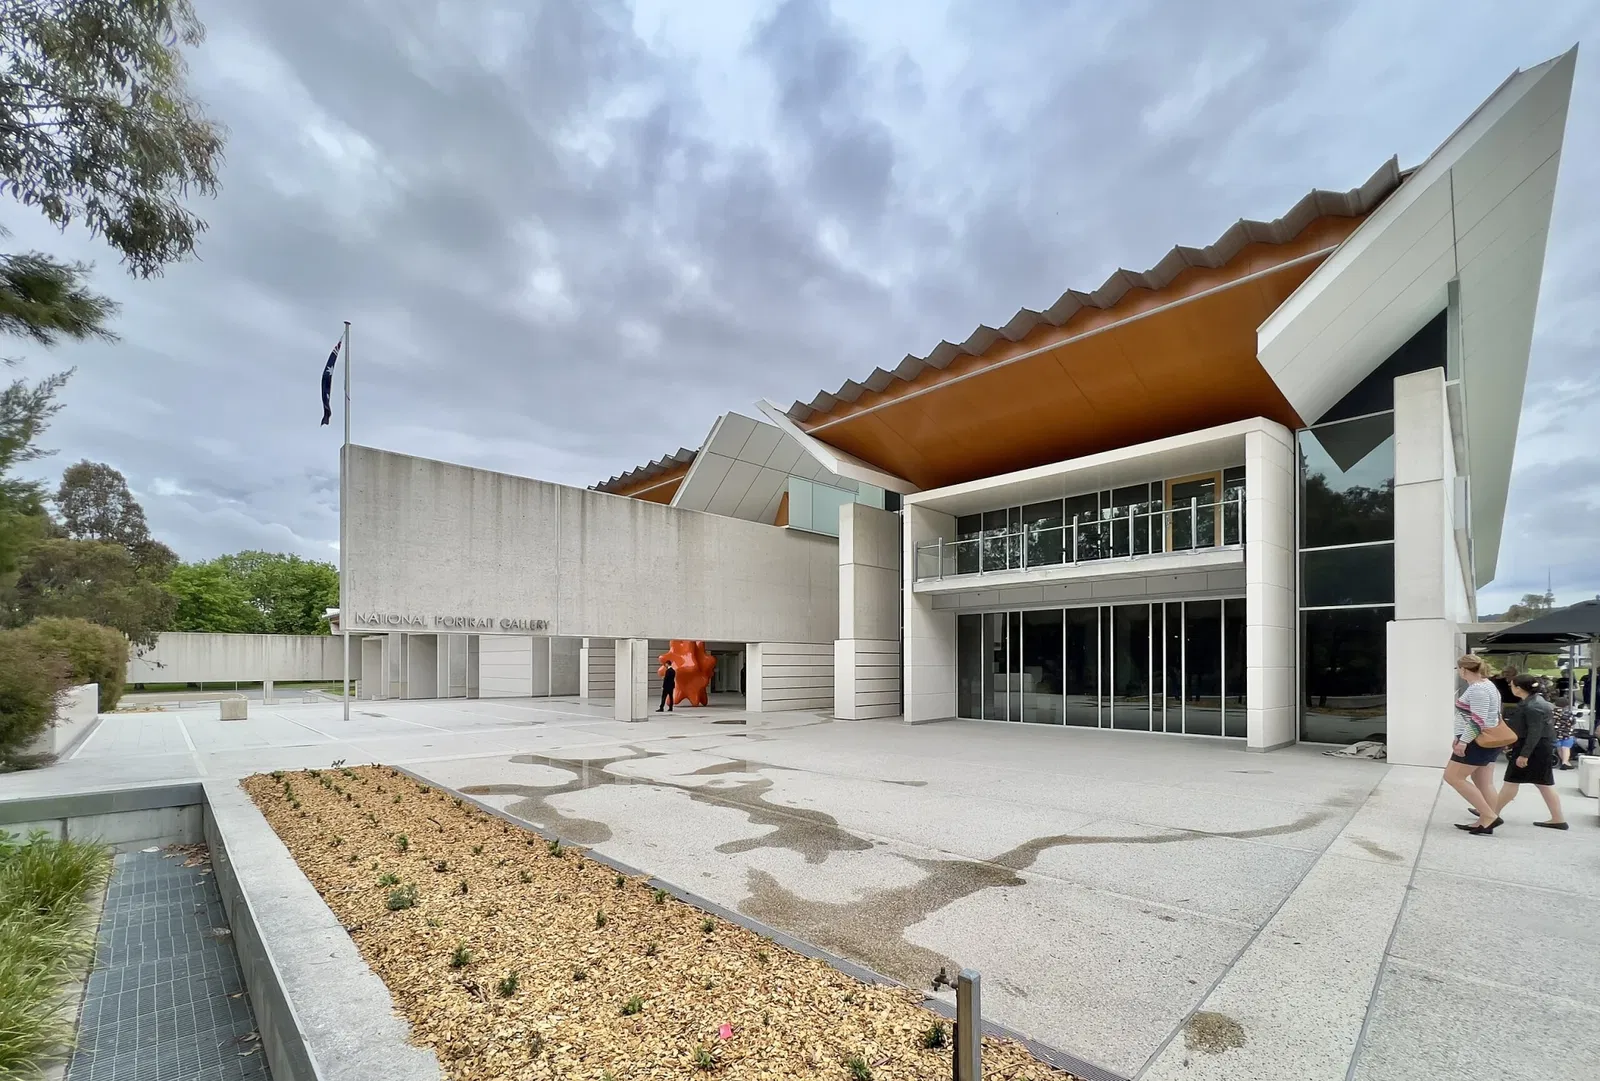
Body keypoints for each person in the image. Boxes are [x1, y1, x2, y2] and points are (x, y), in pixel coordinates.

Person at [1494, 675, 1567, 830]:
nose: (1510, 688)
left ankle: (1491, 813)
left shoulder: (1533, 706)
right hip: (1538, 747)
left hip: (1533, 748)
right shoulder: (1534, 702)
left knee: (1513, 781)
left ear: (1519, 688)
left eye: (1512, 685)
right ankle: (1557, 818)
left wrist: (1524, 754)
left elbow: (1534, 732)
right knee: (1543, 783)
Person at [1450, 655, 1510, 835]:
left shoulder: (1478, 689)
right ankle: (1485, 821)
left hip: (1476, 741)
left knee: (1453, 777)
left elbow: (1478, 720)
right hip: (1487, 739)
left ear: (1464, 670)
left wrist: (1463, 741)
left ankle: (1489, 816)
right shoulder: (1487, 685)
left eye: (1458, 669)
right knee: (1484, 782)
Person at [1551, 695, 1578, 770]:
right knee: (1566, 748)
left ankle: (1564, 761)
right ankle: (1565, 762)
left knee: (1559, 748)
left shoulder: (1552, 712)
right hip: (1567, 733)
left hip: (1555, 733)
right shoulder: (1568, 713)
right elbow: (1573, 721)